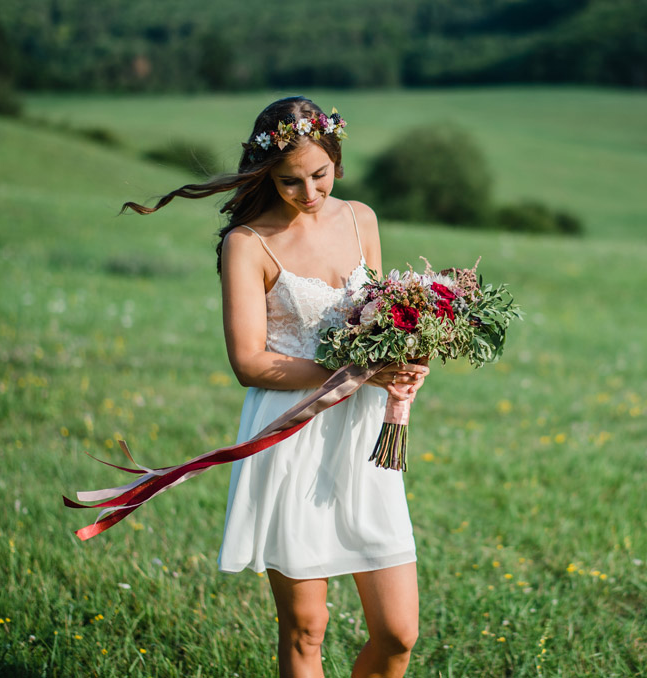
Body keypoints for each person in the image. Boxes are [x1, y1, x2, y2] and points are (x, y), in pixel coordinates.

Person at [123, 96, 428, 678]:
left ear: (337, 158)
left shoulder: (362, 218)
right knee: (306, 630)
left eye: (320, 175)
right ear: (266, 172)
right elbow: (249, 362)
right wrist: (356, 371)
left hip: (364, 435)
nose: (309, 192)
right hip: (290, 434)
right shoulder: (249, 243)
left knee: (398, 633)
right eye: (290, 182)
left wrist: (406, 359)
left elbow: (385, 319)